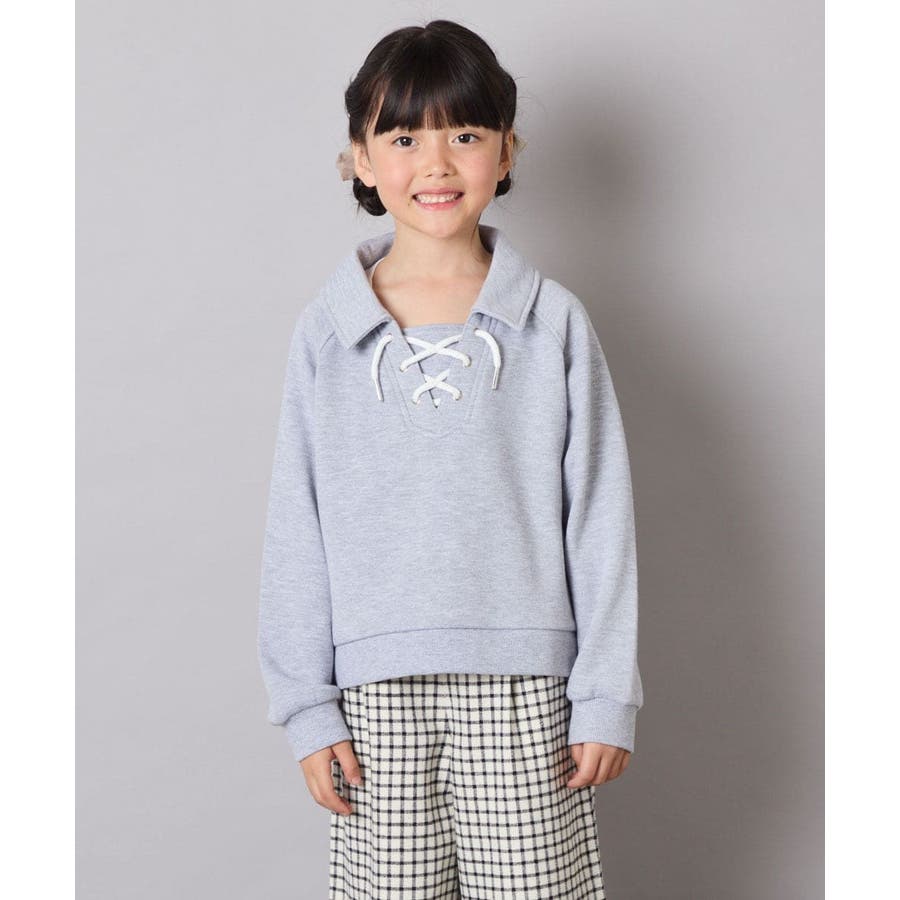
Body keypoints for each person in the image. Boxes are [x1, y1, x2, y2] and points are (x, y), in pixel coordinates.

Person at [257, 18, 644, 899]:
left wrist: (604, 694)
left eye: (464, 135)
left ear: (507, 152)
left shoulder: (554, 324)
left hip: (528, 690)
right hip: (374, 695)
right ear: (360, 159)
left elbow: (600, 515)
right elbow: (295, 526)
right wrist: (308, 706)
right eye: (404, 139)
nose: (436, 163)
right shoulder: (327, 333)